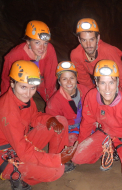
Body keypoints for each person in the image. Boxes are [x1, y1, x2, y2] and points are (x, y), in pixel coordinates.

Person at [0, 60, 78, 190]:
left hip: (20, 143)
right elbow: (23, 152)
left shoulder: (23, 98)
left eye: (32, 88)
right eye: (23, 87)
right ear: (12, 83)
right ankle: (14, 175)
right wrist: (57, 160)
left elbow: (34, 117)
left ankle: (57, 161)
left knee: (60, 121)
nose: (28, 93)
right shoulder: (8, 111)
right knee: (56, 172)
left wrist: (49, 120)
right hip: (7, 156)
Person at [72, 60, 122, 190]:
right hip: (105, 134)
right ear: (97, 83)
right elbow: (87, 122)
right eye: (103, 82)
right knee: (77, 157)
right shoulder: (91, 96)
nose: (107, 88)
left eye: (111, 82)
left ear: (117, 82)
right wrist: (81, 143)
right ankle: (107, 150)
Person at [70, 18, 122, 105]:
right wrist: (96, 95)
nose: (88, 45)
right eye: (84, 40)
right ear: (79, 40)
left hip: (115, 79)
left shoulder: (108, 51)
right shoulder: (76, 55)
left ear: (98, 38)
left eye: (92, 39)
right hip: (99, 81)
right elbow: (83, 79)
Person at [1, 20, 58, 102]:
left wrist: (50, 96)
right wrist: (5, 98)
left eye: (45, 43)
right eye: (37, 43)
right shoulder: (15, 55)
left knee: (55, 102)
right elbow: (6, 79)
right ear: (28, 42)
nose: (42, 48)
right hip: (22, 83)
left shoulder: (50, 50)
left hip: (40, 80)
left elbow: (51, 76)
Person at [46, 61, 90, 146]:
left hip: (86, 123)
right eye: (64, 79)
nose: (69, 82)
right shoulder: (55, 101)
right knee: (73, 144)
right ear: (59, 81)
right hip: (69, 128)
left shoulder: (85, 91)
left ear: (76, 78)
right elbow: (51, 119)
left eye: (72, 78)